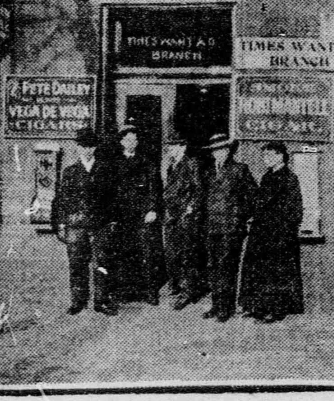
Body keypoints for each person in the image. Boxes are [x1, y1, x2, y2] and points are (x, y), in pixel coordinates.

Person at [239, 141, 304, 323]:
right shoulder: (267, 177)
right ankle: (257, 307)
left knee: (276, 274)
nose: (265, 159)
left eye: (269, 155)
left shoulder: (290, 179)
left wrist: (282, 232)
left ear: (280, 156)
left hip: (279, 235)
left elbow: (295, 211)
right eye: (264, 155)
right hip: (261, 233)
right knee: (258, 271)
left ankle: (276, 310)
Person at [55, 127, 118, 316]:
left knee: (101, 264)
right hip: (76, 226)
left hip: (100, 225)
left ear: (95, 147)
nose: (87, 150)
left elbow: (113, 198)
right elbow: (62, 200)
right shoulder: (70, 172)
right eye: (83, 146)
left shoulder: (105, 170)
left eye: (91, 146)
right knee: (76, 264)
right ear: (77, 147)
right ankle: (78, 301)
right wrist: (61, 223)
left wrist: (112, 221)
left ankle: (101, 301)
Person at [202, 133, 257, 323]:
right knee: (213, 267)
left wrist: (238, 217)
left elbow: (252, 197)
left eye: (223, 149)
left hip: (231, 229)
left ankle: (226, 308)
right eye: (216, 150)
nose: (220, 153)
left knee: (227, 267)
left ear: (229, 151)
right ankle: (216, 305)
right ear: (212, 153)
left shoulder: (240, 170)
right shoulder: (208, 172)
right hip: (212, 228)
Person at [108, 125, 165, 305]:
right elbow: (109, 192)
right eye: (128, 140)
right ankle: (125, 292)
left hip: (143, 216)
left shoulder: (147, 163)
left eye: (134, 140)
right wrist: (112, 216)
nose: (131, 143)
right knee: (123, 254)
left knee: (146, 254)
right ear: (121, 142)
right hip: (123, 217)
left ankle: (149, 292)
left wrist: (152, 209)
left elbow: (155, 189)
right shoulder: (114, 164)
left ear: (138, 142)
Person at [162, 134, 207, 311]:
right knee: (173, 254)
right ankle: (180, 285)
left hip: (185, 217)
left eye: (173, 147)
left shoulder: (191, 163)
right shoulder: (172, 165)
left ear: (183, 147)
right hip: (172, 216)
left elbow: (198, 189)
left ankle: (188, 291)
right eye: (168, 147)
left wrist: (191, 208)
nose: (169, 150)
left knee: (187, 255)